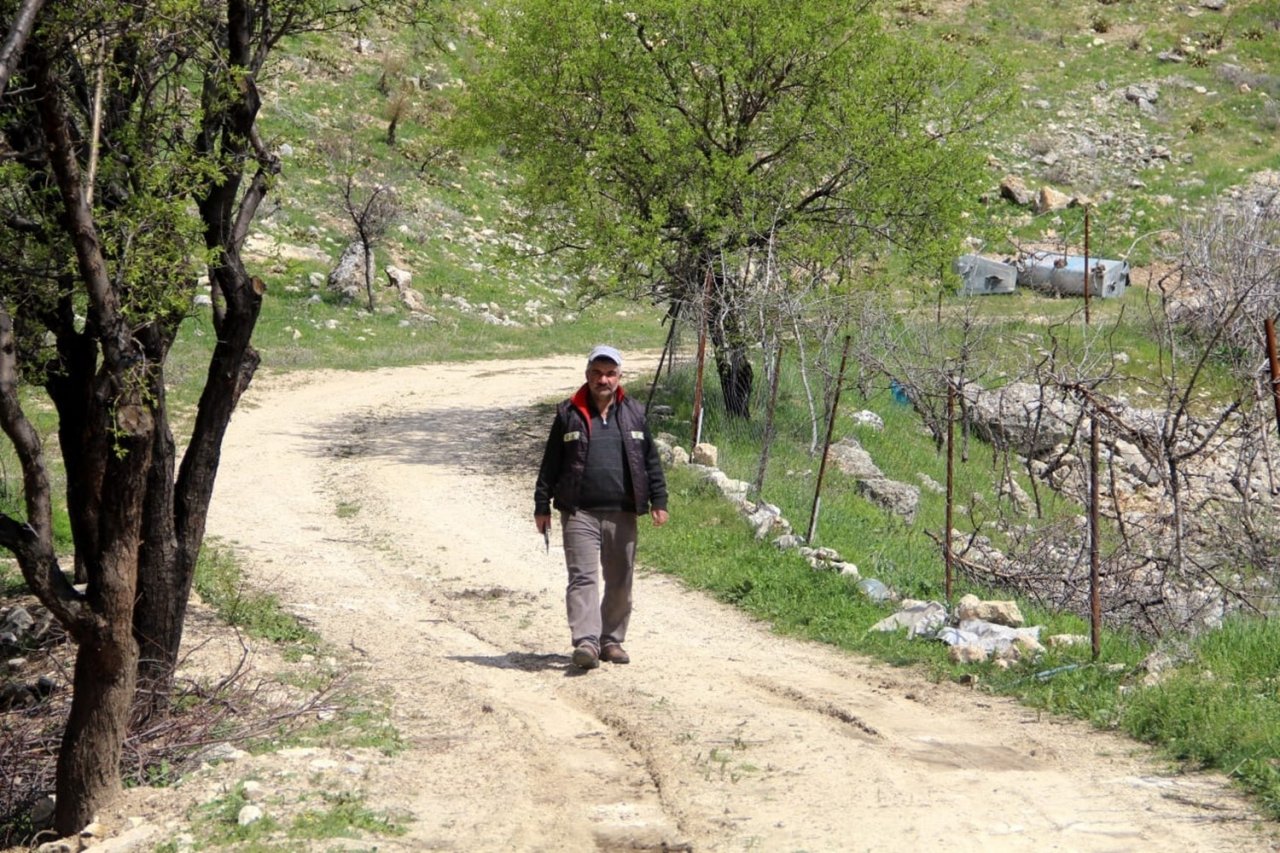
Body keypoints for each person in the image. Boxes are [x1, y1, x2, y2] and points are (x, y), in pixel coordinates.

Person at [534, 345, 669, 670]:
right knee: (583, 577)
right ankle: (586, 642)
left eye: (609, 374)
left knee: (620, 578)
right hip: (579, 511)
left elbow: (650, 460)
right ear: (587, 375)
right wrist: (542, 504)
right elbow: (550, 463)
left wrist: (659, 500)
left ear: (619, 377)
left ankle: (611, 641)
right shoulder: (568, 413)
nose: (603, 379)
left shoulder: (634, 412)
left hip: (623, 511)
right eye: (596, 373)